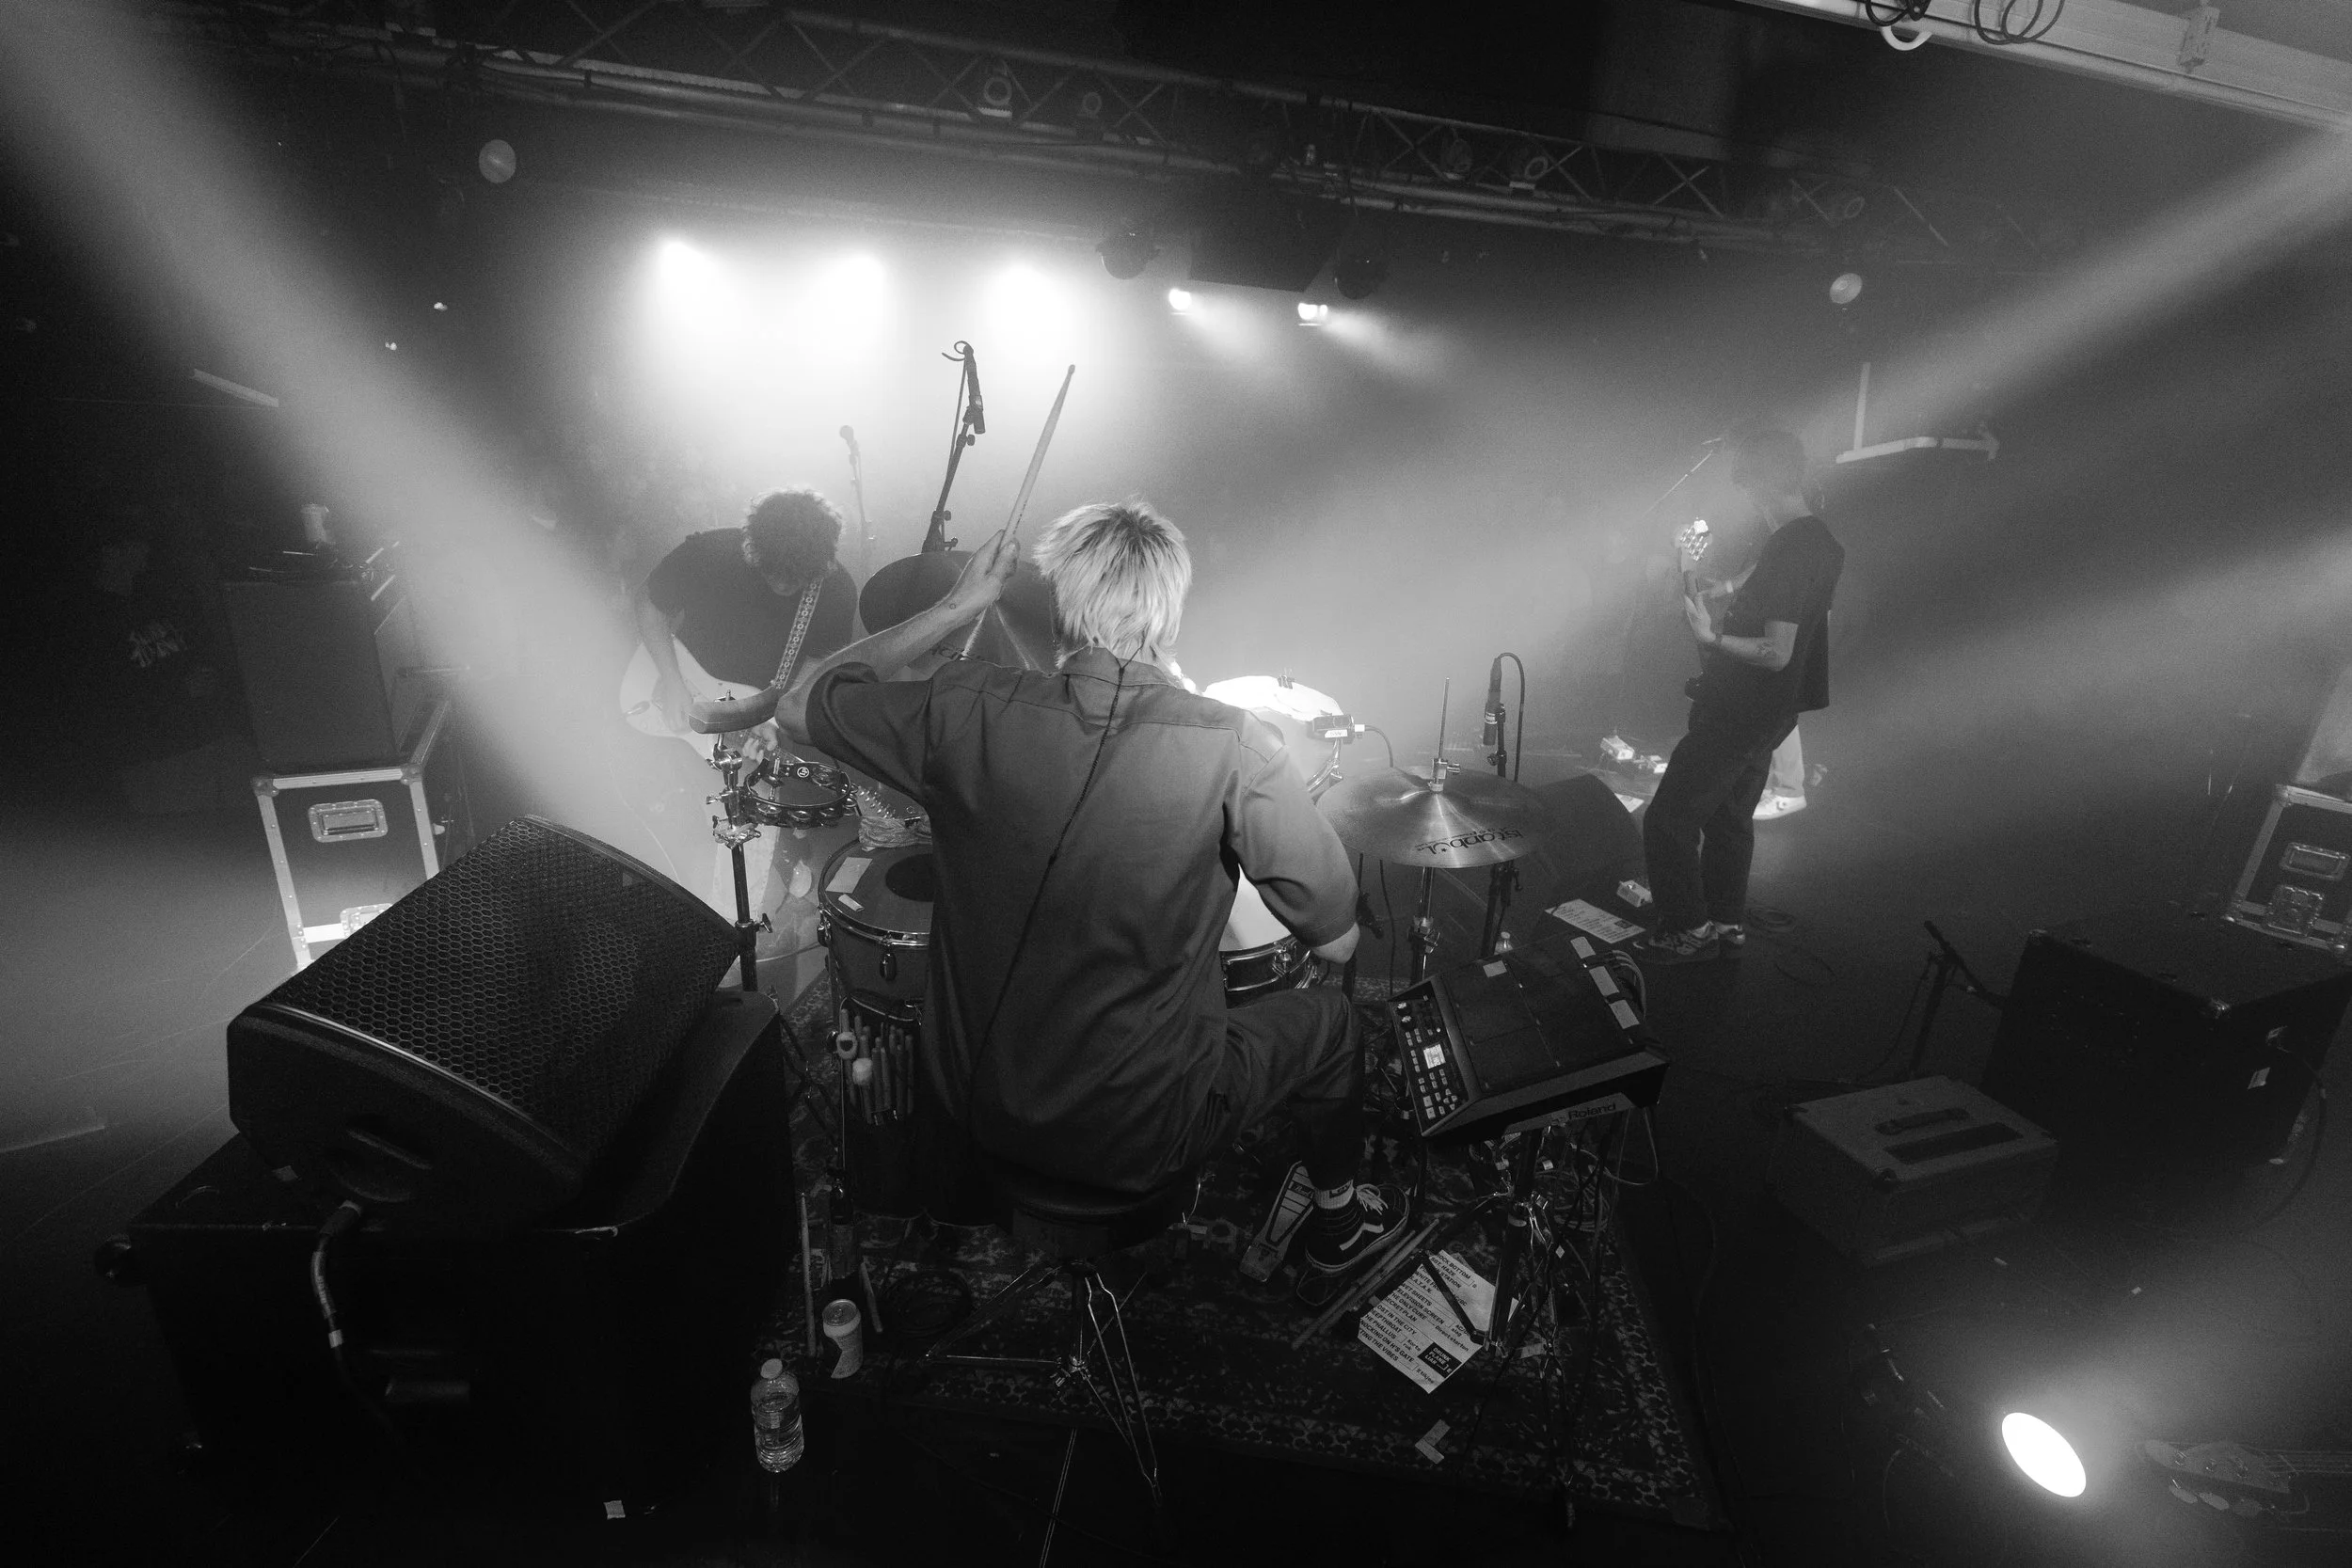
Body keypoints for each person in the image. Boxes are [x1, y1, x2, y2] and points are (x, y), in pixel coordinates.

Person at [758, 503, 1413, 1297]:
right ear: (1169, 616)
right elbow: (1339, 942)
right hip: (1139, 1140)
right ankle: (1342, 1225)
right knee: (1335, 1023)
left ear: (1059, 607)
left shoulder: (968, 706)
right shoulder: (1237, 746)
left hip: (973, 1118)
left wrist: (956, 605)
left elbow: (797, 704)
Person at [1633, 428, 1844, 965]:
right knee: (1729, 817)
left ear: (1762, 485)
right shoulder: (1813, 540)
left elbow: (1776, 651)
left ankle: (1687, 928)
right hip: (1772, 712)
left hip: (1744, 708)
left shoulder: (1793, 545)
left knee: (1669, 819)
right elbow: (1767, 582)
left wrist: (1711, 638)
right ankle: (1726, 921)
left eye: (1748, 488)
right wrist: (1718, 589)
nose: (1747, 500)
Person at [630, 488, 861, 952]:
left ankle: (731, 936)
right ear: (753, 547)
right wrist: (673, 680)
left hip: (756, 706)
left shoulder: (833, 588)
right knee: (667, 814)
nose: (784, 584)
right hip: (683, 686)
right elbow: (649, 603)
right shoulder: (709, 552)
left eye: (797, 576)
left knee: (754, 805)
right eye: (774, 571)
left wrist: (775, 719)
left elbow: (814, 664)